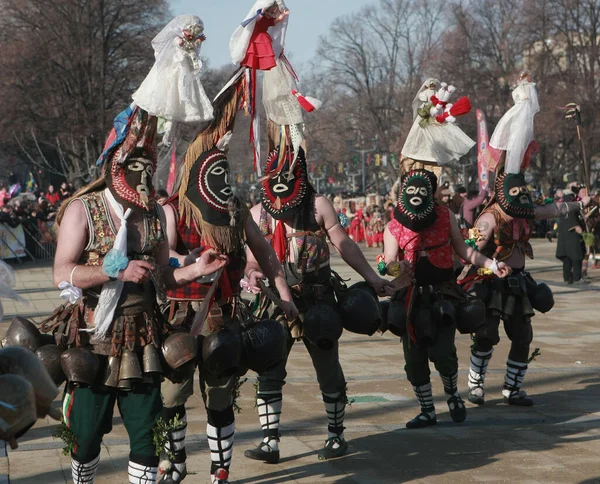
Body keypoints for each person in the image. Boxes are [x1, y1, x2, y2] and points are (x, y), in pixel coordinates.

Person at [40, 107, 229, 484]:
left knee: (146, 436)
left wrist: (194, 269)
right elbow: (62, 271)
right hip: (93, 335)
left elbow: (160, 276)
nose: (144, 177)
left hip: (142, 337)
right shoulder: (84, 210)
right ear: (117, 168)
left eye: (149, 166)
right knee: (87, 435)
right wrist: (114, 270)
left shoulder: (154, 215)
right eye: (136, 166)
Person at [157, 74, 298, 484]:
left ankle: (221, 470)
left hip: (224, 317)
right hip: (179, 318)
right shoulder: (173, 211)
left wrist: (284, 297)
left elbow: (269, 256)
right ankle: (175, 463)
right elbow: (165, 259)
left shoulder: (236, 211)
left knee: (220, 396)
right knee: (173, 396)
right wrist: (192, 261)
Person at [243, 145, 395, 464]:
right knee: (270, 365)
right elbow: (250, 260)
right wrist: (254, 274)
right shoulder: (258, 214)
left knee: (328, 368)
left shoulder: (318, 206)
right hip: (276, 301)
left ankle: (336, 435)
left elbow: (345, 245)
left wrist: (372, 277)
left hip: (319, 299)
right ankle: (269, 441)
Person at [383, 169, 510, 428]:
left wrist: (492, 263)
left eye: (424, 191)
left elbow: (463, 250)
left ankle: (453, 396)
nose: (417, 195)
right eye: (411, 191)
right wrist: (396, 269)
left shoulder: (445, 216)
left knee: (444, 353)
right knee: (414, 359)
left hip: (443, 293)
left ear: (431, 194)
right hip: (410, 299)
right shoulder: (393, 225)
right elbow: (388, 261)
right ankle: (427, 409)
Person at [467, 163, 590, 406]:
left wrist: (580, 203)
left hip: (517, 282)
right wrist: (473, 274)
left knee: (523, 336)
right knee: (486, 335)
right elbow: (469, 252)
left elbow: (553, 209)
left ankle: (512, 388)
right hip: (490, 282)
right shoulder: (489, 218)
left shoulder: (526, 210)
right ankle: (476, 385)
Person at [401, 79, 475, 177]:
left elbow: (422, 99)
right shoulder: (437, 93)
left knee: (419, 133)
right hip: (434, 112)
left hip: (427, 113)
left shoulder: (425, 93)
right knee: (436, 132)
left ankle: (418, 151)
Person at [489, 71, 539, 175]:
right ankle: (508, 164)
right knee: (509, 132)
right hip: (517, 114)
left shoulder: (526, 89)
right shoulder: (522, 90)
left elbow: (530, 104)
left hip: (519, 114)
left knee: (514, 136)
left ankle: (512, 166)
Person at [556, 190, 587, 284]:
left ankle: (567, 278)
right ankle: (577, 278)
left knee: (567, 260)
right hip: (573, 238)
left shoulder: (561, 208)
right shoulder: (571, 207)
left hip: (563, 239)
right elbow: (575, 223)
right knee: (576, 258)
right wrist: (580, 230)